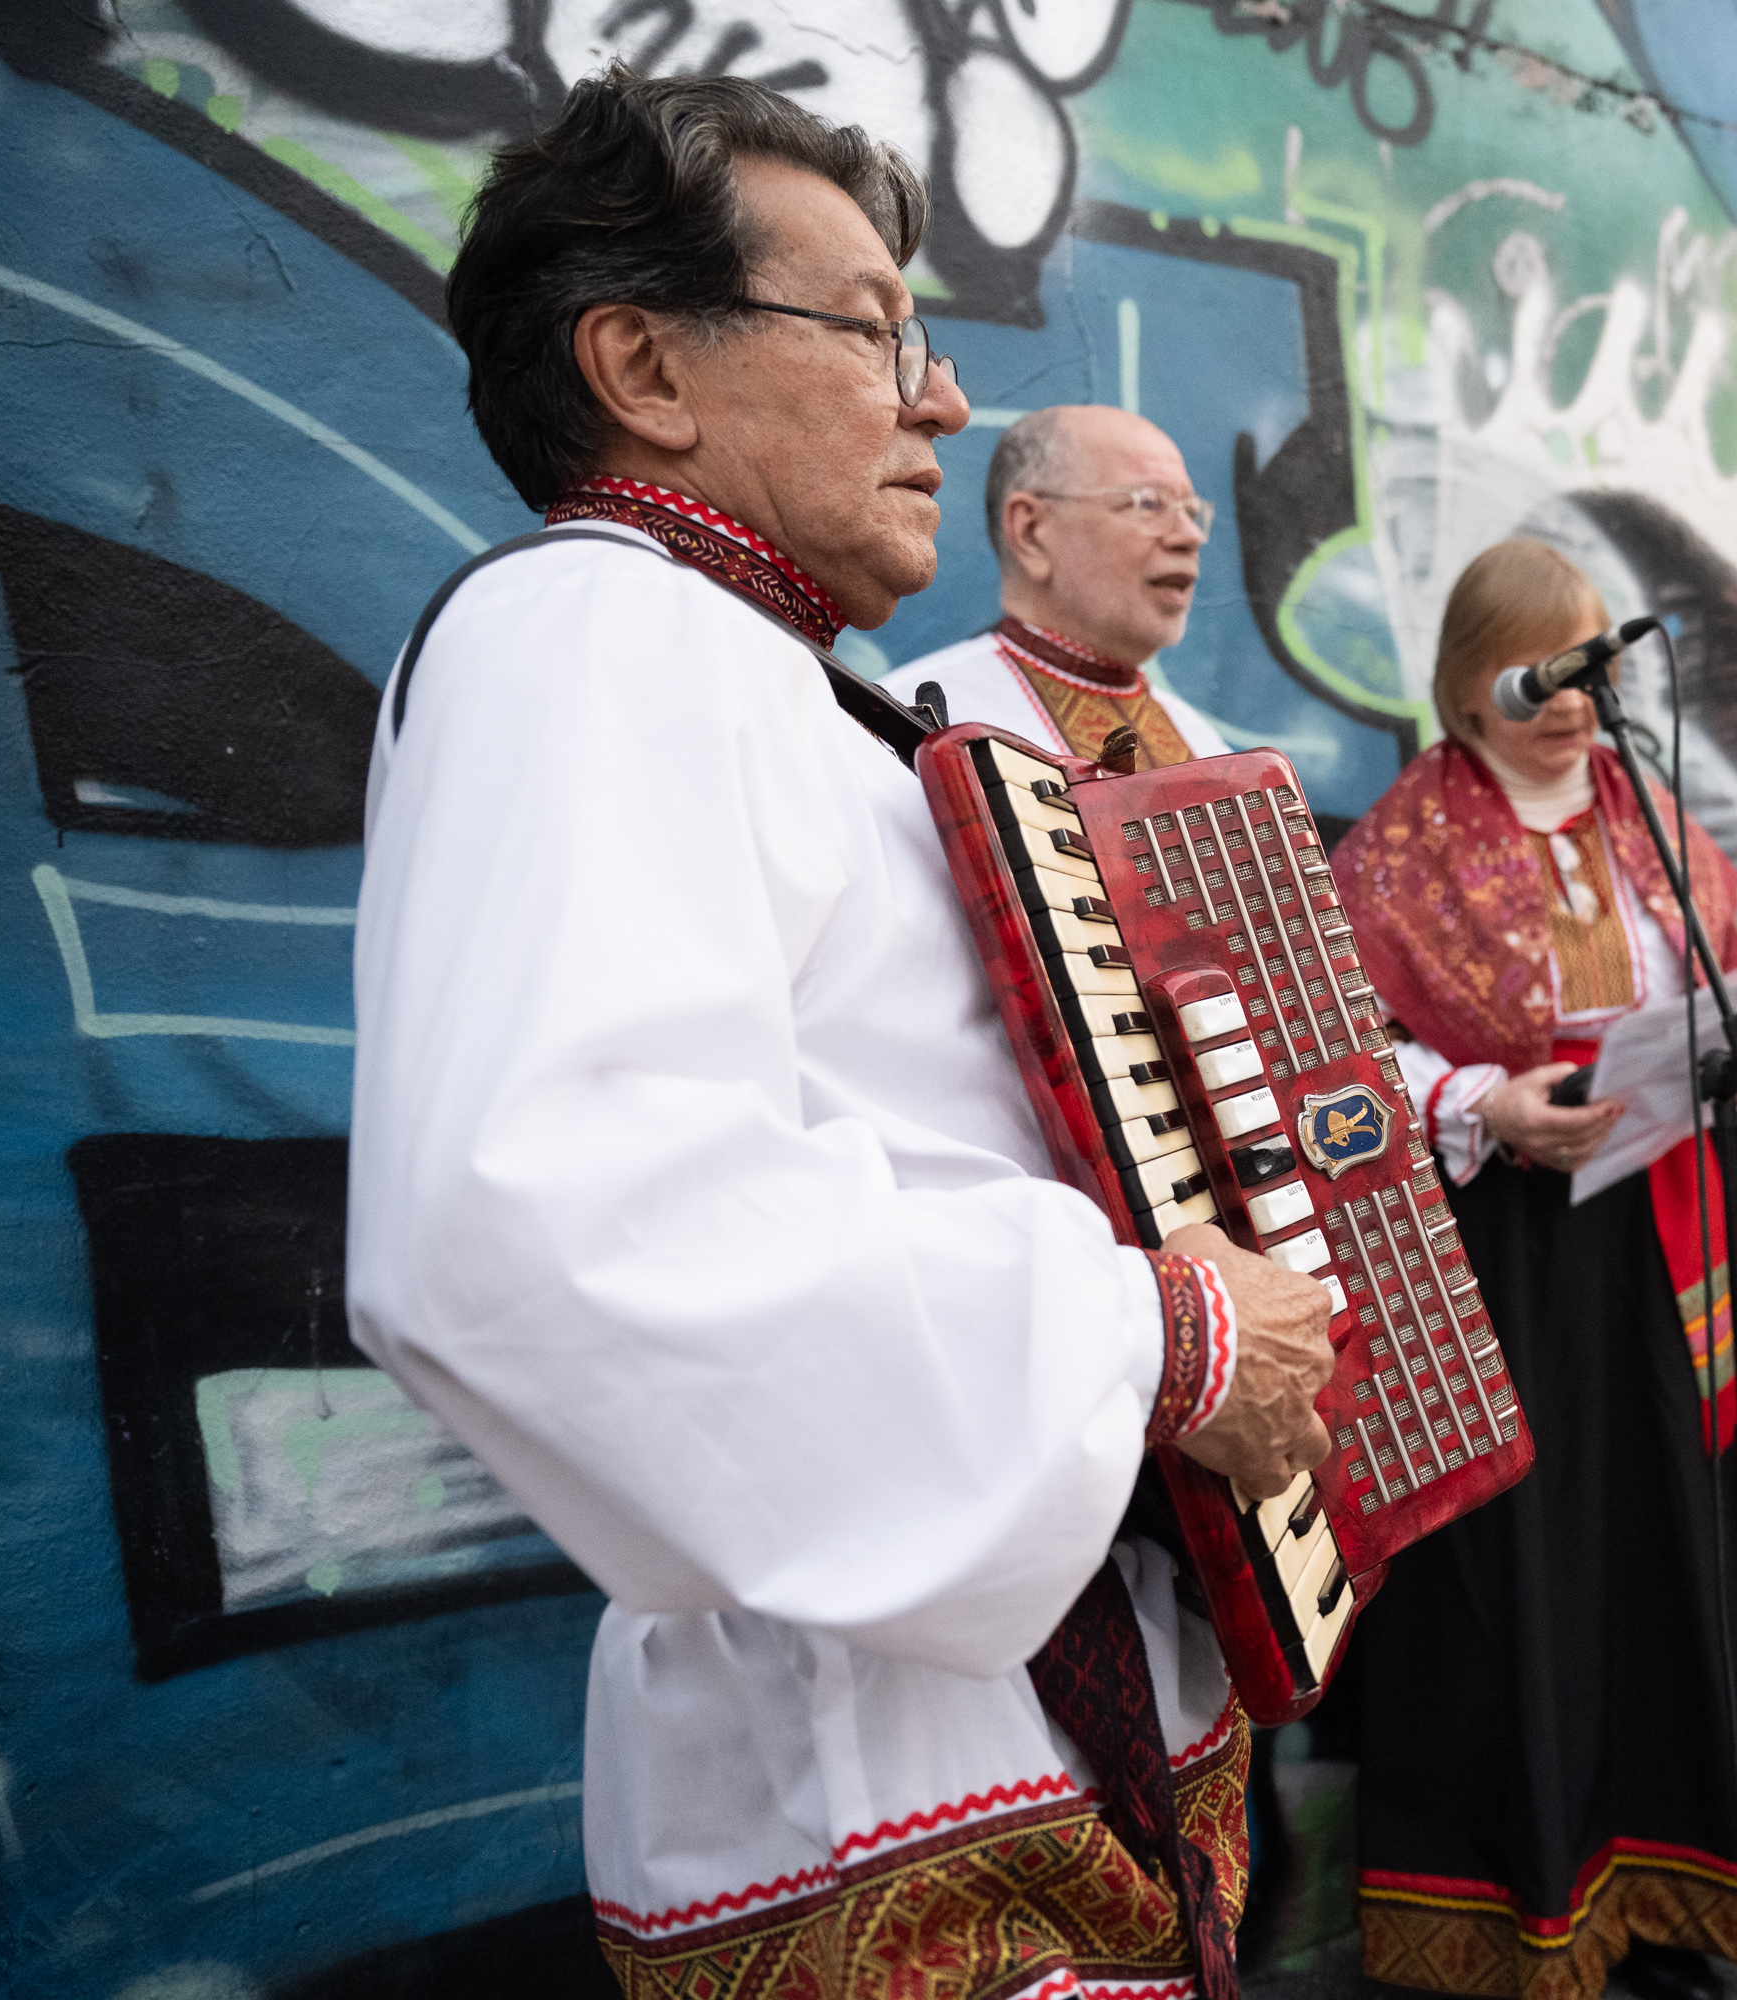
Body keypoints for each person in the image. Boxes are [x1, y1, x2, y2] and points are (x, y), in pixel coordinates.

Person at [345, 69, 1336, 1999]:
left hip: (1001, 1721)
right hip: (868, 1760)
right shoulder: (593, 636)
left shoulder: (779, 683)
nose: (942, 401)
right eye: (878, 330)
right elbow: (541, 1225)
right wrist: (1165, 1321)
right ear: (644, 364)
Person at [1327, 540, 1737, 2000]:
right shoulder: (1399, 851)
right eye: (1535, 672)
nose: (1570, 702)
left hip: (1667, 1234)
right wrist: (1481, 1104)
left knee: (1672, 1550)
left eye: (1592, 666)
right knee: (1533, 1577)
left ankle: (1672, 1885)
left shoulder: (1655, 821)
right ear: (1465, 681)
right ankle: (1535, 1900)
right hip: (1508, 1258)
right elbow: (1334, 1064)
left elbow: (1721, 964)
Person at [883, 403, 1229, 764]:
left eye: (1191, 512)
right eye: (1150, 504)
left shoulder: (1206, 747)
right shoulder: (913, 730)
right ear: (1031, 532)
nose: (1190, 537)